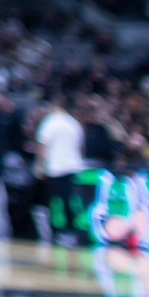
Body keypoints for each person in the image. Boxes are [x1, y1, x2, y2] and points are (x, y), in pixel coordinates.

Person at [35, 94, 87, 246]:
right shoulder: (74, 123)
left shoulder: (49, 122)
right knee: (70, 200)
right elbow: (80, 147)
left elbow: (43, 146)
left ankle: (56, 232)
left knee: (55, 202)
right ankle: (72, 232)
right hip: (73, 167)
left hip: (55, 168)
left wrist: (39, 166)